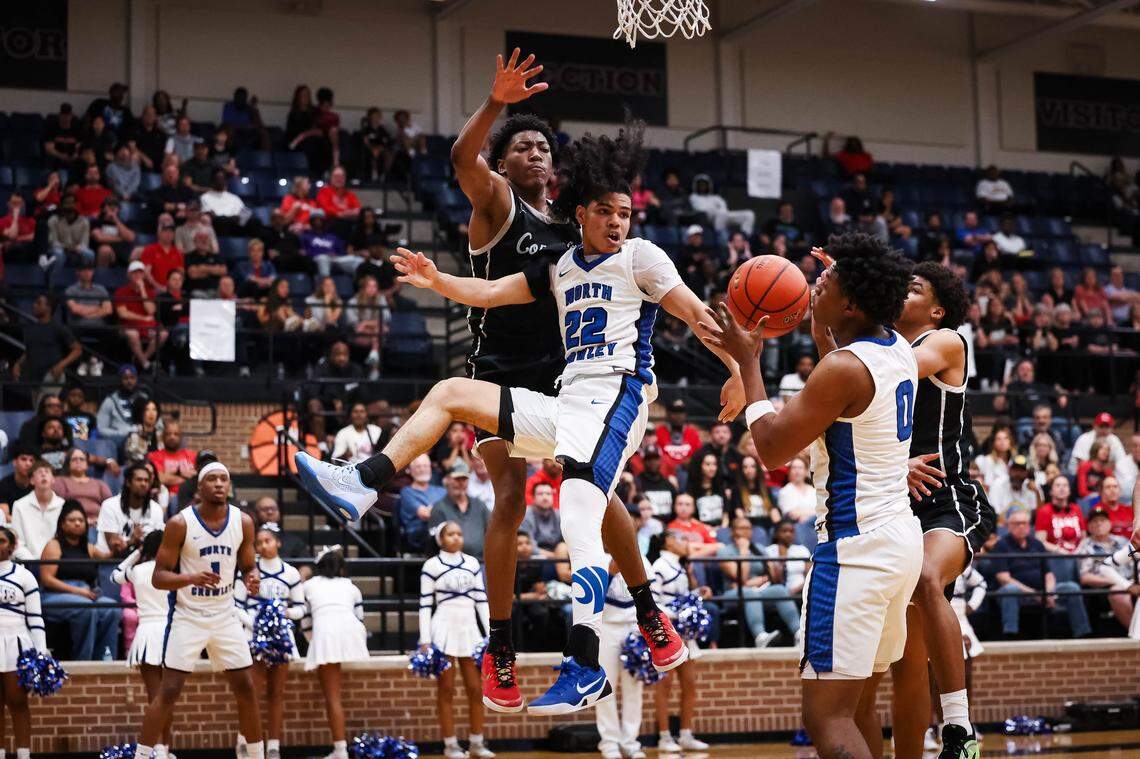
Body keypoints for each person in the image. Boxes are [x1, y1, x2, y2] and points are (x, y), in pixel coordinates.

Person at [295, 109, 726, 713]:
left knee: (597, 501)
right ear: (504, 163)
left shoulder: (602, 243)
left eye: (545, 146)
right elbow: (469, 194)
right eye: (523, 147)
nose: (537, 155)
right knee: (512, 497)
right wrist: (437, 278)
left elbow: (689, 310)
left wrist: (740, 366)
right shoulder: (502, 205)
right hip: (500, 370)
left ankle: (645, 618)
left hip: (573, 379)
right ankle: (498, 643)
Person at [699, 231, 921, 758]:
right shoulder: (897, 351)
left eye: (828, 282)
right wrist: (834, 303)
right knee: (860, 703)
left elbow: (772, 448)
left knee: (826, 716)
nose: (813, 284)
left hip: (854, 552)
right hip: (896, 542)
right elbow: (839, 370)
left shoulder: (844, 370)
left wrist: (748, 362)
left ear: (852, 302)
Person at [877, 260, 996, 757]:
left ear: (938, 309)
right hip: (894, 503)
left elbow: (891, 367)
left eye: (914, 288)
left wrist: (855, 303)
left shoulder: (947, 341)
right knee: (905, 659)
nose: (903, 292)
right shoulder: (880, 346)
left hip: (949, 498)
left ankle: (959, 727)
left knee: (927, 576)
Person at [130, 463, 263, 759]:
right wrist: (191, 577)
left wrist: (252, 577)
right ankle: (141, 756)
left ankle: (257, 756)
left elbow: (248, 565)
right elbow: (159, 577)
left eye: (224, 479)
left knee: (246, 686)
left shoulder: (243, 522)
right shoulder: (180, 523)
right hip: (188, 615)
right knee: (169, 690)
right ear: (199, 488)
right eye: (212, 479)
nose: (219, 484)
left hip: (224, 614)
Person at [419, 522, 494, 759]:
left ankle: (476, 742)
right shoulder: (431, 565)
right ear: (440, 539)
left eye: (459, 534)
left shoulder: (472, 563)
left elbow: (482, 600)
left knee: (475, 688)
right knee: (447, 689)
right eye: (450, 534)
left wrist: (492, 634)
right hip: (443, 629)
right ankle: (450, 744)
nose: (456, 538)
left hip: (469, 630)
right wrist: (425, 639)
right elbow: (424, 605)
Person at [233, 524, 304, 759]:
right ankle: (244, 741)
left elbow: (301, 608)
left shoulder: (291, 573)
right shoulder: (249, 571)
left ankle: (273, 745)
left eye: (268, 541)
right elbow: (236, 606)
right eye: (259, 542)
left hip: (282, 638)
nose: (263, 546)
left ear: (278, 542)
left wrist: (285, 615)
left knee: (276, 692)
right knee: (250, 691)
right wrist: (258, 624)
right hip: (254, 637)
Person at [301, 546, 370, 759]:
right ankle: (340, 749)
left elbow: (305, 622)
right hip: (352, 633)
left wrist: (316, 643)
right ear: (341, 567)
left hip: (326, 635)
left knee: (332, 697)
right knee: (333, 695)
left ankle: (340, 751)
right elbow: (360, 617)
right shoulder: (350, 586)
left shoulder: (309, 586)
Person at [112, 531, 175, 758]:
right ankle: (163, 748)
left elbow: (115, 576)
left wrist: (137, 551)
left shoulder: (137, 570)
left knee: (155, 696)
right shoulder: (174, 572)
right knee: (167, 697)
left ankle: (158, 749)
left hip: (149, 634)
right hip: (171, 634)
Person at [650, 530, 710, 753]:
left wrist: (698, 594)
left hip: (684, 634)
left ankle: (685, 734)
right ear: (668, 541)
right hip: (667, 632)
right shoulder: (659, 566)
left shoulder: (681, 566)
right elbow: (653, 602)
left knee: (690, 683)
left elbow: (682, 596)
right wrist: (677, 616)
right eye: (682, 539)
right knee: (664, 685)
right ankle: (664, 737)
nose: (687, 543)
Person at [991, 508, 1091, 638]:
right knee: (1010, 589)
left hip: (1043, 591)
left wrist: (1048, 592)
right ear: (1008, 526)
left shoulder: (1037, 544)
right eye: (1017, 523)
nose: (1021, 527)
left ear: (1029, 526)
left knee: (1071, 588)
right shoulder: (1001, 546)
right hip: (1018, 593)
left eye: (1024, 523)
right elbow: (1004, 578)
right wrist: (1035, 594)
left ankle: (1083, 635)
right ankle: (1011, 636)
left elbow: (1048, 574)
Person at [39, 500, 119, 660]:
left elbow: (107, 557)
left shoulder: (88, 547)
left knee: (112, 608)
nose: (77, 524)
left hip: (85, 593)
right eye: (72, 520)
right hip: (55, 595)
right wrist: (78, 591)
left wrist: (119, 547)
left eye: (81, 520)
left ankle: (105, 659)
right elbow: (47, 580)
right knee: (86, 608)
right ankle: (83, 660)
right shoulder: (54, 545)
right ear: (62, 524)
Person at [596, 554, 652, 759]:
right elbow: (590, 599)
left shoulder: (640, 558)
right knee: (605, 687)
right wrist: (609, 574)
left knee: (634, 687)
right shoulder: (595, 557)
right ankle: (609, 743)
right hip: (606, 627)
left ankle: (631, 742)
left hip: (634, 628)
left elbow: (649, 595)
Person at [717, 516, 799, 647]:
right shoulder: (723, 551)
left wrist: (763, 577)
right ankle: (760, 637)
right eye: (742, 528)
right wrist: (743, 551)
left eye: (749, 528)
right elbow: (741, 578)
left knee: (779, 590)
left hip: (759, 591)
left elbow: (773, 577)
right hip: (733, 594)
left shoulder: (759, 549)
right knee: (749, 593)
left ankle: (798, 633)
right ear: (733, 531)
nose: (746, 532)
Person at [0, 527, 43, 759]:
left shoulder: (24, 575)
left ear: (12, 545)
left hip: (16, 640)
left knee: (17, 701)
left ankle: (24, 754)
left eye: (1, 540)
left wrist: (41, 650)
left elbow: (35, 618)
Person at [428, 461, 491, 560]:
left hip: (481, 562)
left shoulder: (479, 505)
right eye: (457, 479)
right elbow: (434, 543)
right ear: (447, 480)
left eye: (464, 479)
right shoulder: (439, 508)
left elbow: (491, 531)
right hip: (451, 563)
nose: (461, 483)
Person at [11, 461, 65, 562]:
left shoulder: (63, 505)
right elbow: (18, 542)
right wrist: (34, 563)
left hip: (57, 564)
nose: (44, 474)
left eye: (47, 472)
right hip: (28, 564)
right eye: (39, 472)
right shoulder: (19, 505)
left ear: (53, 479)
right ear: (31, 480)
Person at [52, 448, 112, 527]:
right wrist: (82, 521)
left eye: (82, 459)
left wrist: (100, 520)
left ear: (87, 464)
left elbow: (110, 506)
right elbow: (57, 506)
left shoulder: (99, 483)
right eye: (74, 459)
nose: (78, 461)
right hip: (72, 523)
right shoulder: (60, 481)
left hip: (99, 523)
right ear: (68, 464)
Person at [147, 421, 197, 501]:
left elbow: (199, 478)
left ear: (181, 437)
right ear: (163, 437)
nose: (172, 437)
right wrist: (184, 476)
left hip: (191, 497)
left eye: (176, 434)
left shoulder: (193, 456)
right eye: (168, 434)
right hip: (167, 498)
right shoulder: (154, 456)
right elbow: (160, 478)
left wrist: (170, 475)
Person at [1035, 477, 1086, 554]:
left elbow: (1083, 537)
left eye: (1065, 485)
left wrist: (1078, 552)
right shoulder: (1044, 511)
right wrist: (1060, 551)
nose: (1062, 488)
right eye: (1058, 485)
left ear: (1069, 491)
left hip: (1078, 554)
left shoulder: (1076, 509)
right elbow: (1040, 541)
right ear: (1051, 491)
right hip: (1056, 555)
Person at [520, 482, 563, 557]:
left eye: (548, 494)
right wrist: (555, 556)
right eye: (540, 494)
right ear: (533, 497)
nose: (545, 497)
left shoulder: (559, 515)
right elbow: (528, 546)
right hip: (533, 558)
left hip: (557, 556)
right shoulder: (526, 515)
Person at [0, 445, 35, 519]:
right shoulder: (4, 484)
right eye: (23, 459)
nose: (28, 464)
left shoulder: (38, 485)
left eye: (31, 460)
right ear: (15, 462)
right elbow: (4, 516)